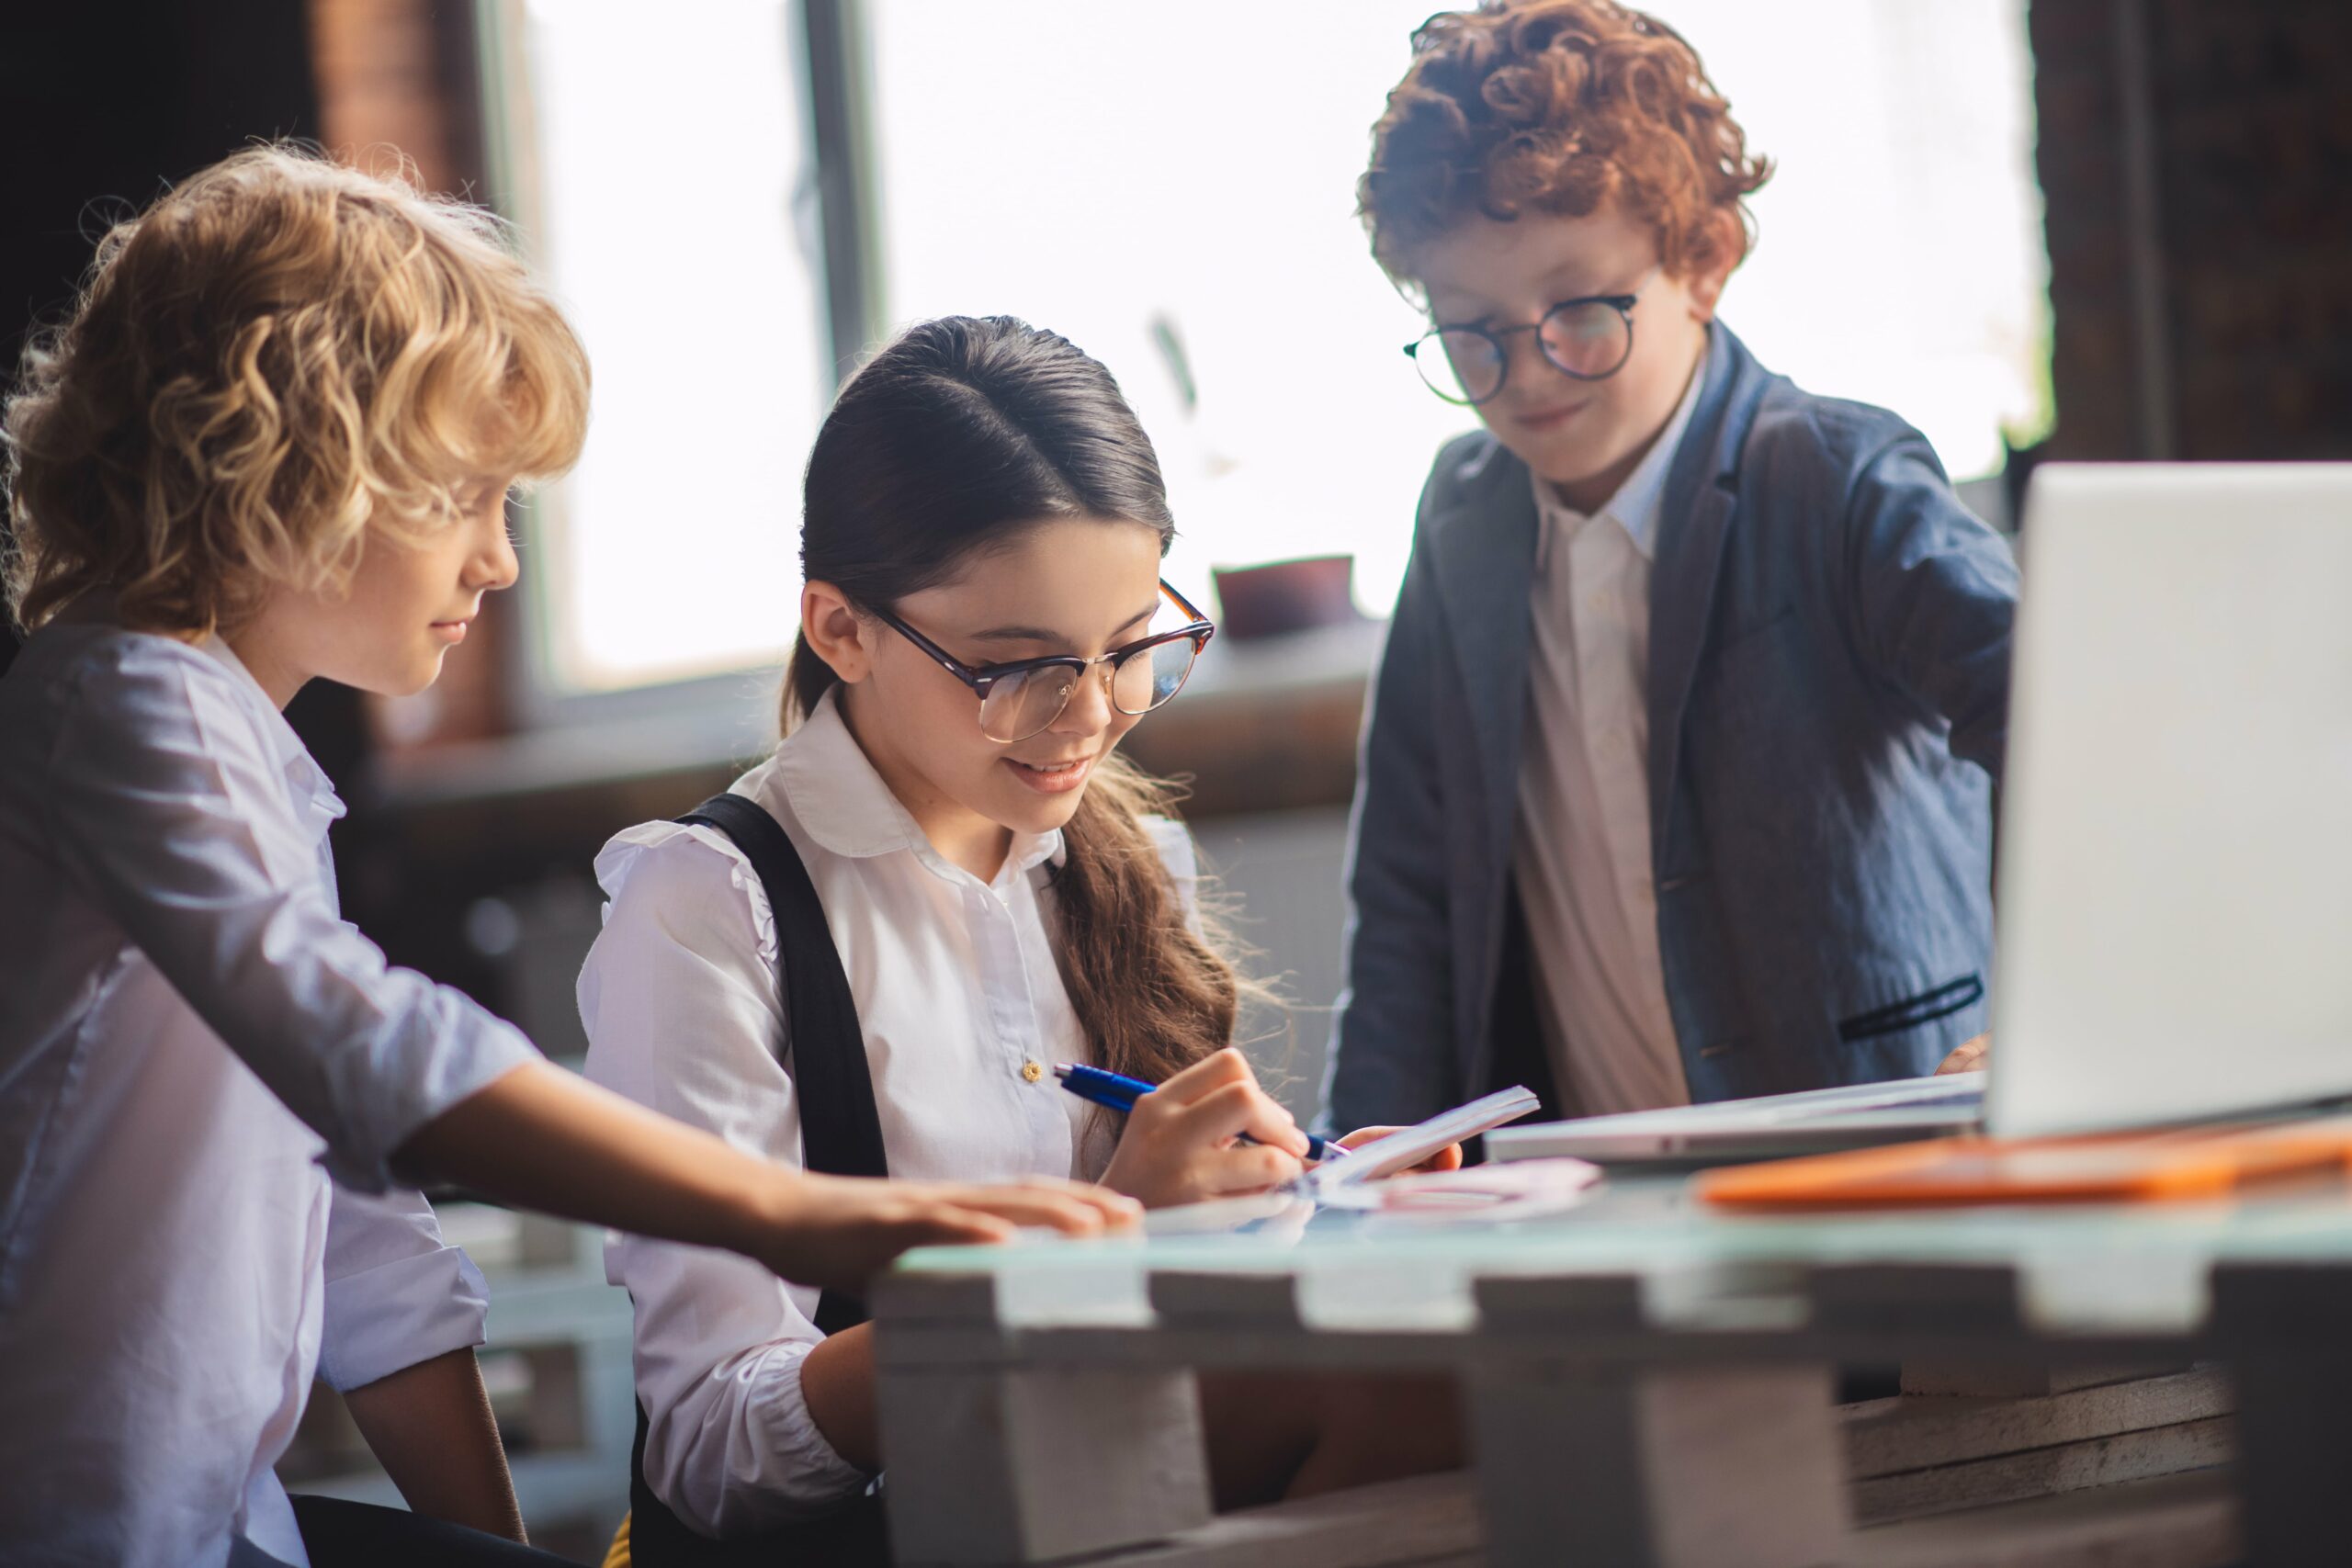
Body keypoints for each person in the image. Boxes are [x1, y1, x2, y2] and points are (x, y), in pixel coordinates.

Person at [0, 148, 1130, 1568]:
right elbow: (383, 1059)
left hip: (222, 1527)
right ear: (280, 460)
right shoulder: (116, 702)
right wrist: (836, 1214)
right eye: (462, 493)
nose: (498, 560)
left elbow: (368, 1246)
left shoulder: (254, 762)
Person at [580, 316, 1462, 1562]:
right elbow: (717, 1458)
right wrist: (1089, 1251)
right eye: (1020, 665)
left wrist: (1310, 1204)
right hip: (893, 1528)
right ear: (840, 628)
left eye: (1130, 649)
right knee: (1406, 1403)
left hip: (1110, 1479)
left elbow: (1183, 1308)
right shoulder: (708, 902)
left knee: (1470, 1376)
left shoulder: (1130, 863)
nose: (1092, 716)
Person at [1326, 0, 2016, 1134]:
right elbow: (1407, 893)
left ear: (1703, 259)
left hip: (1876, 1147)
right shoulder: (1459, 524)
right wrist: (1364, 1174)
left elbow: (2062, 721)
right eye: (1470, 331)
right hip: (1594, 1189)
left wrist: (2046, 1014)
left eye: (1580, 310)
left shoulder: (1835, 477)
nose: (1529, 371)